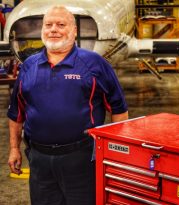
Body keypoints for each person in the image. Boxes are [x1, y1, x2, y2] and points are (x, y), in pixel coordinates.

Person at [7, 5, 128, 205]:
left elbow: (118, 110)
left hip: (82, 159)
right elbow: (16, 112)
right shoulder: (28, 66)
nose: (53, 29)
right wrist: (14, 148)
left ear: (74, 31)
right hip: (39, 160)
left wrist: (117, 154)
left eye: (61, 24)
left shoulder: (95, 64)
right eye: (48, 25)